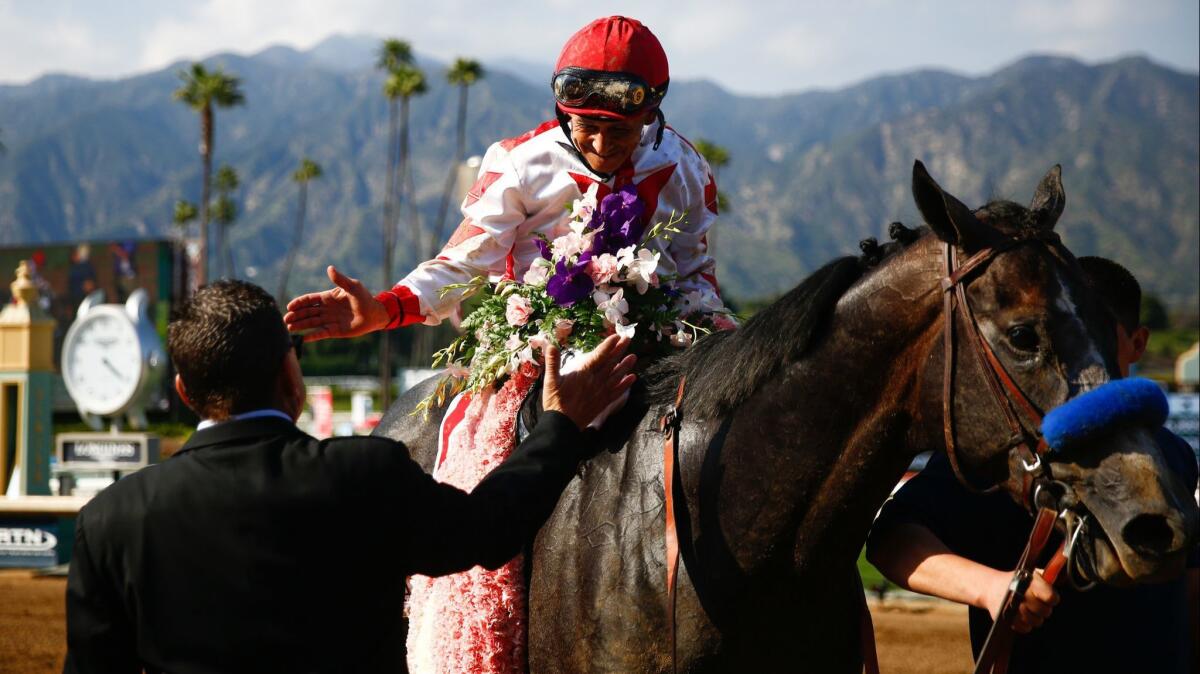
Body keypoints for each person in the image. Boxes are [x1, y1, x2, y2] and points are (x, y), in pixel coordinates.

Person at [63, 279, 636, 673]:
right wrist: (559, 423)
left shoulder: (109, 521)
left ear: (185, 392)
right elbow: (486, 531)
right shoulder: (365, 473)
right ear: (291, 371)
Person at [284, 15, 725, 341]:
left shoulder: (687, 167)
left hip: (656, 343)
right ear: (563, 111)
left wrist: (718, 331)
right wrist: (385, 309)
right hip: (536, 349)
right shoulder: (518, 163)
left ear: (649, 117)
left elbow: (695, 271)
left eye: (621, 131)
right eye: (587, 127)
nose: (601, 145)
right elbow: (463, 264)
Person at [866, 257, 1200, 674]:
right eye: (1072, 338)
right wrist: (991, 588)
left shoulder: (1175, 455)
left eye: (1098, 336)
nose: (1084, 358)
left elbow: (1189, 589)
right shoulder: (1012, 455)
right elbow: (891, 540)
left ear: (1138, 343)